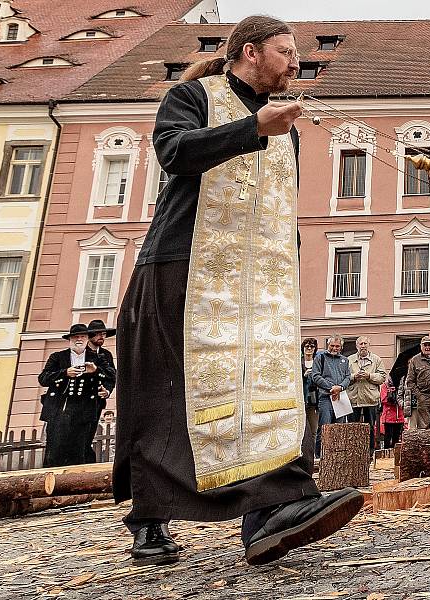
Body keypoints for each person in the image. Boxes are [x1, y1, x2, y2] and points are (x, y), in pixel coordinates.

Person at [113, 16, 363, 568]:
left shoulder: (287, 126)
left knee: (269, 389)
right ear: (250, 52)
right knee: (171, 393)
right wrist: (253, 130)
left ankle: (272, 513)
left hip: (260, 280)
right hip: (183, 264)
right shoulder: (191, 95)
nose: (297, 62)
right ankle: (150, 519)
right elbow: (174, 153)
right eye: (286, 51)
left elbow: (277, 203)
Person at [38, 324, 115, 467]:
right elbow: (43, 378)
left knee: (80, 449)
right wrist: (65, 372)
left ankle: (77, 482)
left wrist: (96, 370)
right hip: (60, 410)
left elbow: (111, 375)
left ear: (87, 339)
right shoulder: (58, 357)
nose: (79, 339)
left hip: (85, 410)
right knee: (55, 450)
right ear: (70, 339)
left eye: (83, 336)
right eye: (75, 337)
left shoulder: (97, 358)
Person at [311, 335, 352, 458]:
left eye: (337, 346)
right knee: (325, 427)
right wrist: (331, 387)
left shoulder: (345, 360)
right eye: (332, 345)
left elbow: (348, 377)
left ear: (341, 347)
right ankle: (319, 456)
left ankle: (336, 456)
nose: (335, 348)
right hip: (325, 398)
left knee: (338, 428)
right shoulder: (320, 358)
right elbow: (316, 376)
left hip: (340, 397)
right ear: (328, 345)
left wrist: (340, 387)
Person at [346, 336, 386, 455]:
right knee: (353, 428)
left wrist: (369, 376)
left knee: (370, 427)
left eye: (365, 343)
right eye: (361, 344)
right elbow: (344, 377)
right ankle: (354, 451)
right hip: (354, 398)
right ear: (357, 346)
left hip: (370, 398)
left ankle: (370, 452)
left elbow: (382, 377)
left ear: (369, 345)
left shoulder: (376, 360)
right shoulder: (349, 360)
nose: (363, 346)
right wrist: (354, 376)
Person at [85, 320, 117, 462]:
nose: (101, 337)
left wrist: (107, 391)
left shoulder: (106, 355)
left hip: (97, 401)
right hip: (80, 399)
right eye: (98, 334)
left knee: (90, 432)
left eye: (103, 334)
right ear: (90, 335)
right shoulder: (81, 352)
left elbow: (112, 376)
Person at [301, 338, 319, 444]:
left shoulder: (317, 362)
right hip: (302, 398)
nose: (309, 348)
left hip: (314, 400)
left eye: (311, 346)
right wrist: (303, 376)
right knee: (302, 429)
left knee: (314, 429)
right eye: (306, 346)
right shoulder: (298, 362)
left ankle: (312, 454)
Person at [380, 376, 404, 448]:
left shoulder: (402, 385)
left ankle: (395, 453)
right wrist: (391, 398)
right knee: (388, 436)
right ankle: (386, 452)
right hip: (388, 416)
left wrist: (399, 400)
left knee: (396, 436)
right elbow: (383, 399)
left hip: (399, 415)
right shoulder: (385, 386)